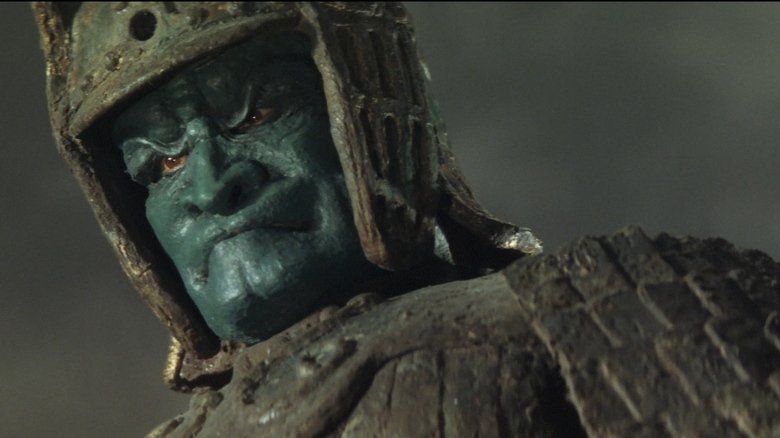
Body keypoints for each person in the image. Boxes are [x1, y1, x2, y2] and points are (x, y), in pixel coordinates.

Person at [34, 2, 780, 436]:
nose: (211, 186)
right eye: (160, 165)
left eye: (258, 114)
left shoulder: (619, 305)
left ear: (366, 109)